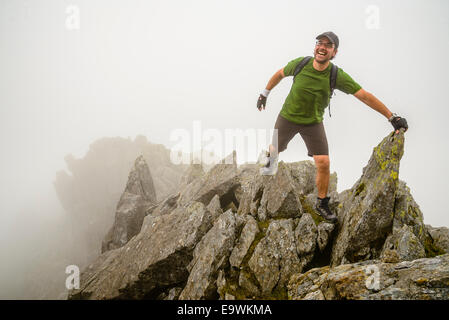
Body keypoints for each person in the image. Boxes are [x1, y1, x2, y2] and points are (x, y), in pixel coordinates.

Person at [256, 31, 408, 223]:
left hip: (313, 123)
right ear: (315, 47)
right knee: (275, 149)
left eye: (328, 45)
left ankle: (322, 203)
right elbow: (279, 74)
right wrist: (264, 94)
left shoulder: (336, 75)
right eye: (320, 43)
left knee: (324, 162)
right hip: (288, 117)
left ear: (334, 52)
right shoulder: (300, 64)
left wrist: (391, 117)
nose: (322, 47)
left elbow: (364, 96)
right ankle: (268, 165)